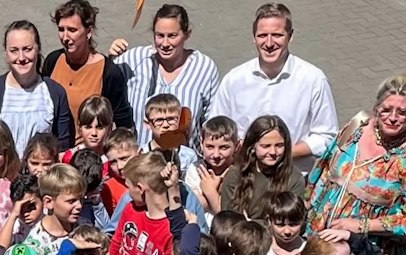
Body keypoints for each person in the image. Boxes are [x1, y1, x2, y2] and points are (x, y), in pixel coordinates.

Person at [305, 74, 406, 255]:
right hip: (320, 245)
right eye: (386, 109)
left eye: (402, 112)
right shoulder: (356, 128)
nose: (392, 117)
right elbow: (321, 173)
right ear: (376, 107)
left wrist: (361, 226)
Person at [208, 3, 337, 163]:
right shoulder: (234, 80)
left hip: (293, 178)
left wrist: (284, 153)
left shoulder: (313, 79)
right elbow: (215, 128)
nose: (269, 44)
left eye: (277, 35)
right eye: (262, 36)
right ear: (253, 37)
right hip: (245, 176)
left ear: (290, 35)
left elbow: (327, 137)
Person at [108, 4, 219, 148]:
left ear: (187, 34)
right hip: (138, 161)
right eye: (160, 36)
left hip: (184, 162)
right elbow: (104, 87)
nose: (165, 43)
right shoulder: (134, 59)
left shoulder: (204, 67)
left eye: (172, 36)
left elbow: (211, 122)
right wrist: (109, 59)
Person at [0, 20, 75, 152]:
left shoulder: (55, 93)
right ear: (6, 53)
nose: (21, 57)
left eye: (27, 49)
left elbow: (62, 147)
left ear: (38, 49)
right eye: (14, 50)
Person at [41, 1, 133, 129]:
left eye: (72, 30)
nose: (65, 37)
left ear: (88, 32)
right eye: (61, 29)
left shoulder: (108, 72)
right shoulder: (53, 61)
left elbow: (123, 124)